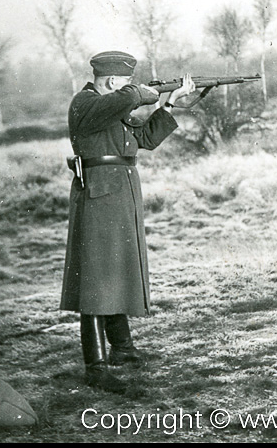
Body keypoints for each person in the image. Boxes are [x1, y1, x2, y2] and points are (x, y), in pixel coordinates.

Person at [61, 50, 195, 393]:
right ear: (110, 81)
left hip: (119, 194)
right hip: (99, 195)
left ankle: (121, 348)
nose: (128, 86)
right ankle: (96, 366)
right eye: (124, 81)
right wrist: (145, 92)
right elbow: (133, 96)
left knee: (115, 269)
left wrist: (169, 104)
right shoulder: (87, 104)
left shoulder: (111, 107)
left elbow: (145, 140)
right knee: (96, 278)